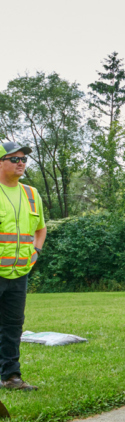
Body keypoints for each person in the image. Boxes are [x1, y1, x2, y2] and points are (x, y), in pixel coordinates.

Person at [0, 142, 45, 391]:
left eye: (24, 160)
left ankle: (10, 377)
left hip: (19, 272)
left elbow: (40, 228)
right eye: (14, 159)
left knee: (13, 326)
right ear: (0, 162)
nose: (21, 163)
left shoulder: (31, 193)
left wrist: (35, 252)